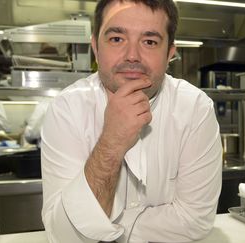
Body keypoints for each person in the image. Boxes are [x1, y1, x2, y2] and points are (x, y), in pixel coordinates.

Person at [40, 0, 222, 243]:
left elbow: (196, 221)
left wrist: (104, 226)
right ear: (95, 46)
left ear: (170, 53)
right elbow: (64, 236)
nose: (132, 56)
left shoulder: (195, 108)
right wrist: (111, 143)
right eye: (117, 39)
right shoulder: (67, 109)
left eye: (149, 42)